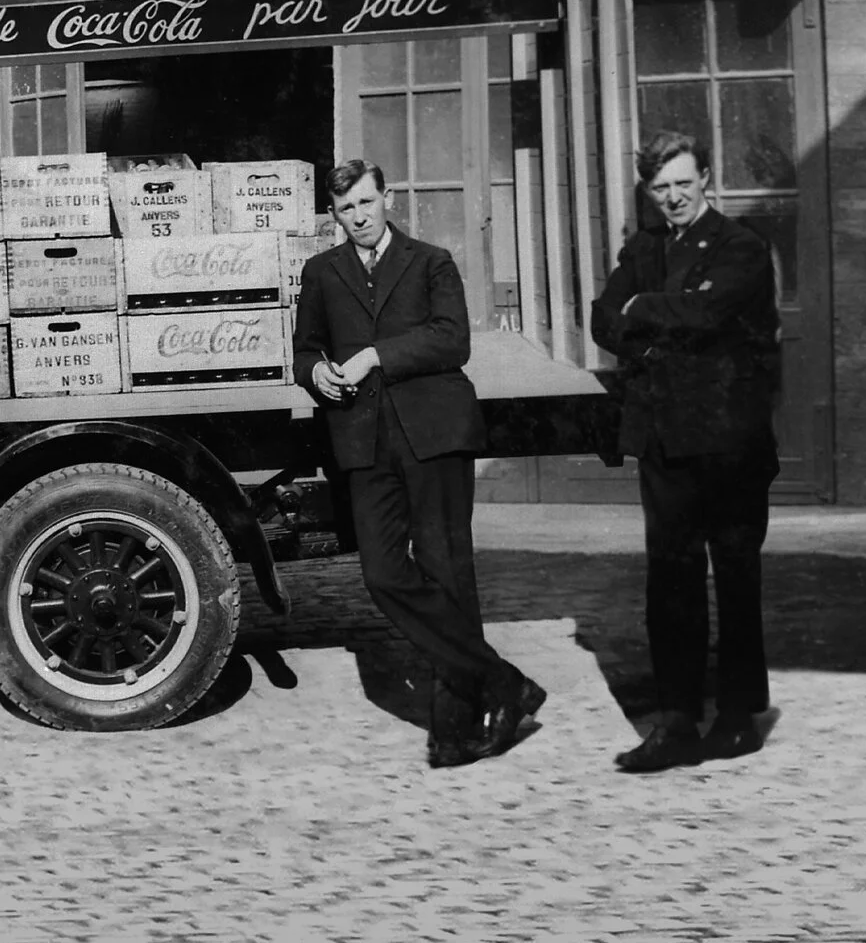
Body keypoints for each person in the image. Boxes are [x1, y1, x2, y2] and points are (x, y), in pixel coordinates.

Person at [291, 160, 545, 769]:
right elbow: (305, 350)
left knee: (446, 572)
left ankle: (456, 726)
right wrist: (317, 373)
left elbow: (452, 339)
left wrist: (376, 354)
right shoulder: (322, 272)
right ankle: (502, 681)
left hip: (433, 437)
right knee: (381, 574)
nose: (359, 216)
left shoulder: (431, 261)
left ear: (388, 198)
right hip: (363, 442)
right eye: (346, 208)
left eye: (366, 202)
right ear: (334, 214)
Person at [589, 129, 784, 775]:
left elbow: (708, 315)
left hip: (729, 443)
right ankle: (675, 722)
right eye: (660, 188)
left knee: (734, 576)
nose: (672, 197)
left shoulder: (743, 248)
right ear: (648, 191)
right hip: (664, 440)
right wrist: (651, 311)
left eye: (683, 183)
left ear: (706, 177)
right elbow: (602, 317)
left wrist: (644, 310)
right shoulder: (643, 249)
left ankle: (737, 716)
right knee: (669, 581)